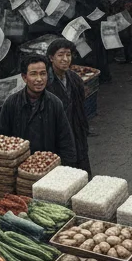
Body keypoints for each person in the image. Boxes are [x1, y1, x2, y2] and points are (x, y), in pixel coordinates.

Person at [0, 55, 78, 163]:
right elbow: (1, 139)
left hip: (47, 167)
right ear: (24, 77)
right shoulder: (11, 103)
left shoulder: (55, 104)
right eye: (33, 74)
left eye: (43, 74)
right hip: (19, 168)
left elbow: (66, 142)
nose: (39, 79)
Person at [44, 39, 91, 173]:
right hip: (58, 137)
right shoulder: (46, 83)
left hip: (77, 131)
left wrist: (83, 128)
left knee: (82, 171)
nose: (65, 59)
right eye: (60, 55)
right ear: (51, 58)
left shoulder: (74, 79)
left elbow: (81, 107)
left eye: (68, 55)